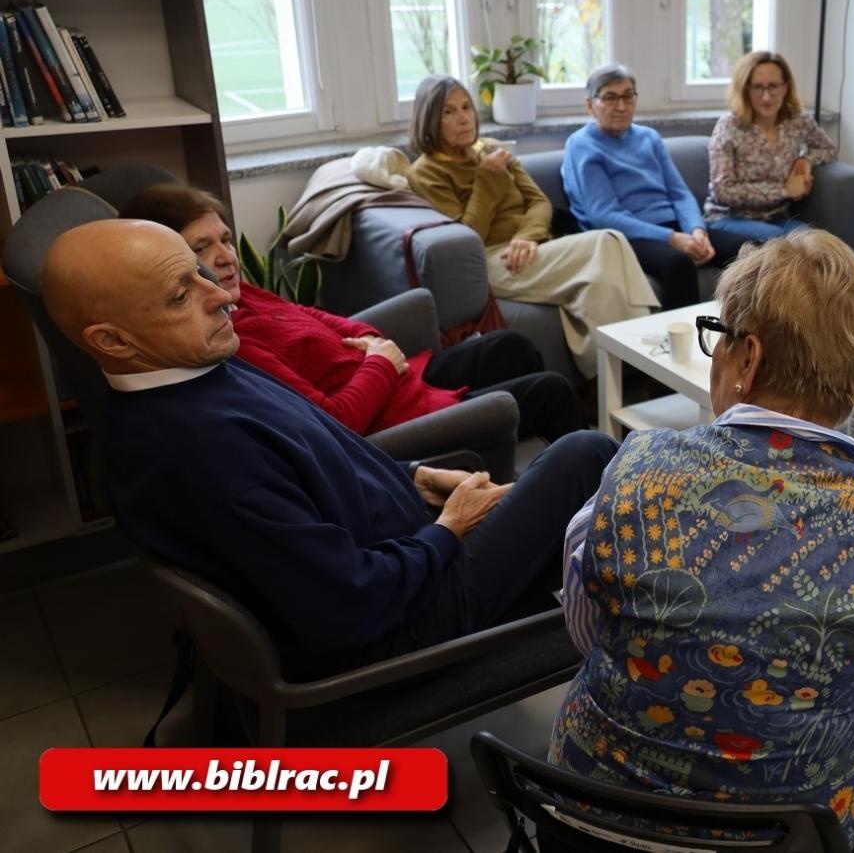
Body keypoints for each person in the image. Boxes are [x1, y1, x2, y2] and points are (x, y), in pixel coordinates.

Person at [549, 229, 854, 852]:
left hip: (588, 823)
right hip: (785, 837)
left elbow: (588, 635)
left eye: (717, 338)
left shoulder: (631, 475)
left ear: (747, 358)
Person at [40, 219, 618, 678]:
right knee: (586, 455)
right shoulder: (192, 451)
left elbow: (321, 451)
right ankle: (638, 647)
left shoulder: (198, 367)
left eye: (201, 274)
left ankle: (612, 622)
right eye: (179, 294)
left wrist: (416, 476)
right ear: (112, 341)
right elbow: (348, 605)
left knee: (568, 502)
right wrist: (449, 529)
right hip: (401, 623)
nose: (219, 296)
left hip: (398, 550)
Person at [120, 183, 584, 447]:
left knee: (511, 345)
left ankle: (521, 460)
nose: (225, 257)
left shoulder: (243, 296)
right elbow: (335, 422)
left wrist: (372, 345)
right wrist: (379, 362)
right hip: (392, 420)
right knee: (552, 393)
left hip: (397, 379)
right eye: (202, 248)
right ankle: (598, 513)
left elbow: (317, 317)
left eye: (225, 239)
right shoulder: (229, 341)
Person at [405, 74, 658, 378]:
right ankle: (640, 364)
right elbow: (466, 238)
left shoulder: (491, 151)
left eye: (466, 107)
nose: (463, 118)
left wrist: (527, 237)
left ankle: (610, 379)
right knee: (607, 241)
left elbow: (539, 202)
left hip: (528, 248)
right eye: (449, 112)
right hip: (488, 260)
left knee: (601, 278)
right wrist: (486, 180)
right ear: (429, 119)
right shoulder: (426, 172)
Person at [561, 64, 750, 310]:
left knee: (746, 249)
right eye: (610, 97)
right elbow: (604, 215)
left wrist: (696, 231)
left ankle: (744, 334)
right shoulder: (581, 146)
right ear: (590, 105)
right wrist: (672, 239)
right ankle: (683, 342)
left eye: (628, 96)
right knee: (678, 263)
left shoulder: (648, 137)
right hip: (626, 237)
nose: (621, 106)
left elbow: (679, 193)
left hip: (675, 228)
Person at [704, 50, 838, 242]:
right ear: (745, 89)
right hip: (728, 218)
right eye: (757, 87)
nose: (766, 97)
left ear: (785, 87)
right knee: (779, 244)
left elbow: (828, 149)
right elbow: (723, 191)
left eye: (774, 86)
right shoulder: (729, 125)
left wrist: (805, 160)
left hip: (777, 217)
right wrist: (784, 192)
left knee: (817, 242)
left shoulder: (798, 120)